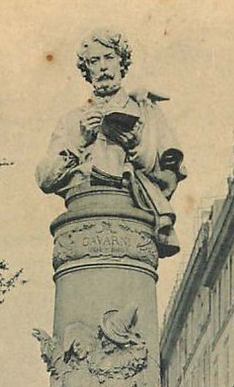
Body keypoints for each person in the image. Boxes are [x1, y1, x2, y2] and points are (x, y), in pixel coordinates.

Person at [36, 28, 186, 257]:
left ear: (121, 63)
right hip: (83, 215)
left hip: (131, 220)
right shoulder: (72, 120)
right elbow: (45, 179)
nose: (103, 67)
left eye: (109, 58)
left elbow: (166, 177)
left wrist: (135, 145)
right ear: (87, 70)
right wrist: (80, 143)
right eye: (94, 61)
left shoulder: (147, 112)